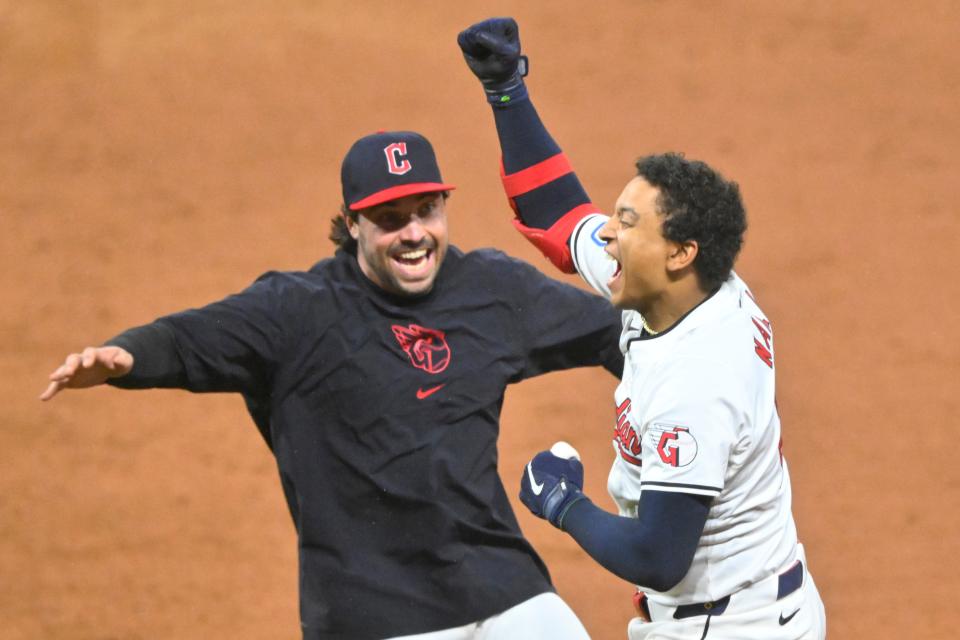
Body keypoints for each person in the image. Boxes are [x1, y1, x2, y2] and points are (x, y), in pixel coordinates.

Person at [40, 130, 625, 640]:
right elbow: (190, 340)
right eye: (391, 220)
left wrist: (692, 377)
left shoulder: (491, 290)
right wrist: (126, 357)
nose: (414, 234)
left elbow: (615, 335)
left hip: (501, 585)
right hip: (374, 610)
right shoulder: (296, 312)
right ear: (352, 224)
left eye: (426, 210)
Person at [458, 17, 827, 640]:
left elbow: (657, 556)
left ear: (679, 251)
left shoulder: (698, 380)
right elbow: (557, 213)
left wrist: (561, 504)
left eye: (626, 223)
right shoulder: (676, 287)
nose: (608, 233)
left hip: (733, 627)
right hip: (750, 605)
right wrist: (506, 89)